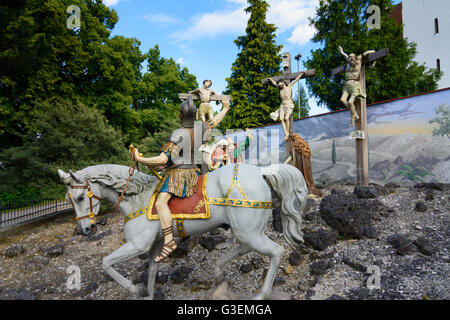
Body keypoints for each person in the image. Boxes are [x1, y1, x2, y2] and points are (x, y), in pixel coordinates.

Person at [131, 98, 201, 262]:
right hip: (194, 172)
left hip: (180, 174)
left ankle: (169, 241)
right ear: (196, 115)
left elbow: (162, 159)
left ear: (180, 116)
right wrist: (225, 108)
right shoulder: (201, 129)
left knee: (160, 202)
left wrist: (141, 160)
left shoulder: (178, 133)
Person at [338, 46, 376, 126]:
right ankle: (354, 113)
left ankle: (352, 117)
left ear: (355, 57)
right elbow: (345, 56)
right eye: (350, 57)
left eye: (353, 57)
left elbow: (366, 53)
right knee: (342, 100)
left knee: (350, 102)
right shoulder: (348, 63)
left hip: (355, 85)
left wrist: (373, 52)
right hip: (346, 86)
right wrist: (342, 51)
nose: (351, 58)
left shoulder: (358, 60)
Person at [268, 72, 306, 141]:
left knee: (286, 118)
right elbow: (274, 83)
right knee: (281, 119)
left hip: (289, 105)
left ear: (283, 82)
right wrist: (270, 79)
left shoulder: (289, 86)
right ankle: (286, 133)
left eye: (280, 83)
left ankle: (288, 132)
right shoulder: (280, 89)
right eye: (278, 84)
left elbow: (296, 80)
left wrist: (301, 75)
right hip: (282, 106)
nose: (279, 85)